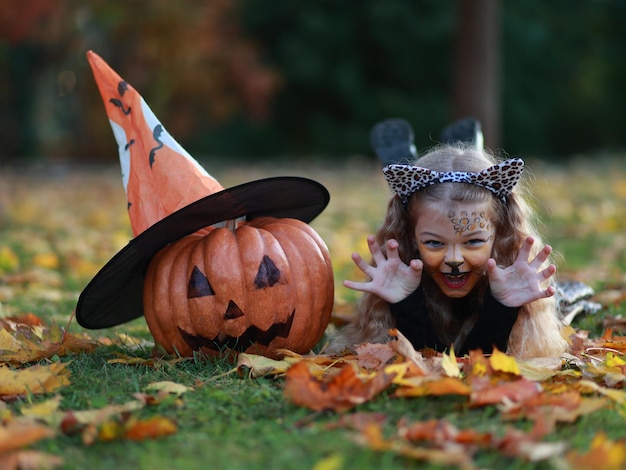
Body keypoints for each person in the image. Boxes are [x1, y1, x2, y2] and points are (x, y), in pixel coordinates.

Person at [328, 142, 570, 359]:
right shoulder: (398, 278)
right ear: (410, 238)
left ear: (500, 236)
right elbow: (431, 364)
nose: (454, 260)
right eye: (434, 243)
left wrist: (503, 309)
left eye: (473, 242)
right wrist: (405, 304)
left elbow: (476, 363)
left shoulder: (513, 283)